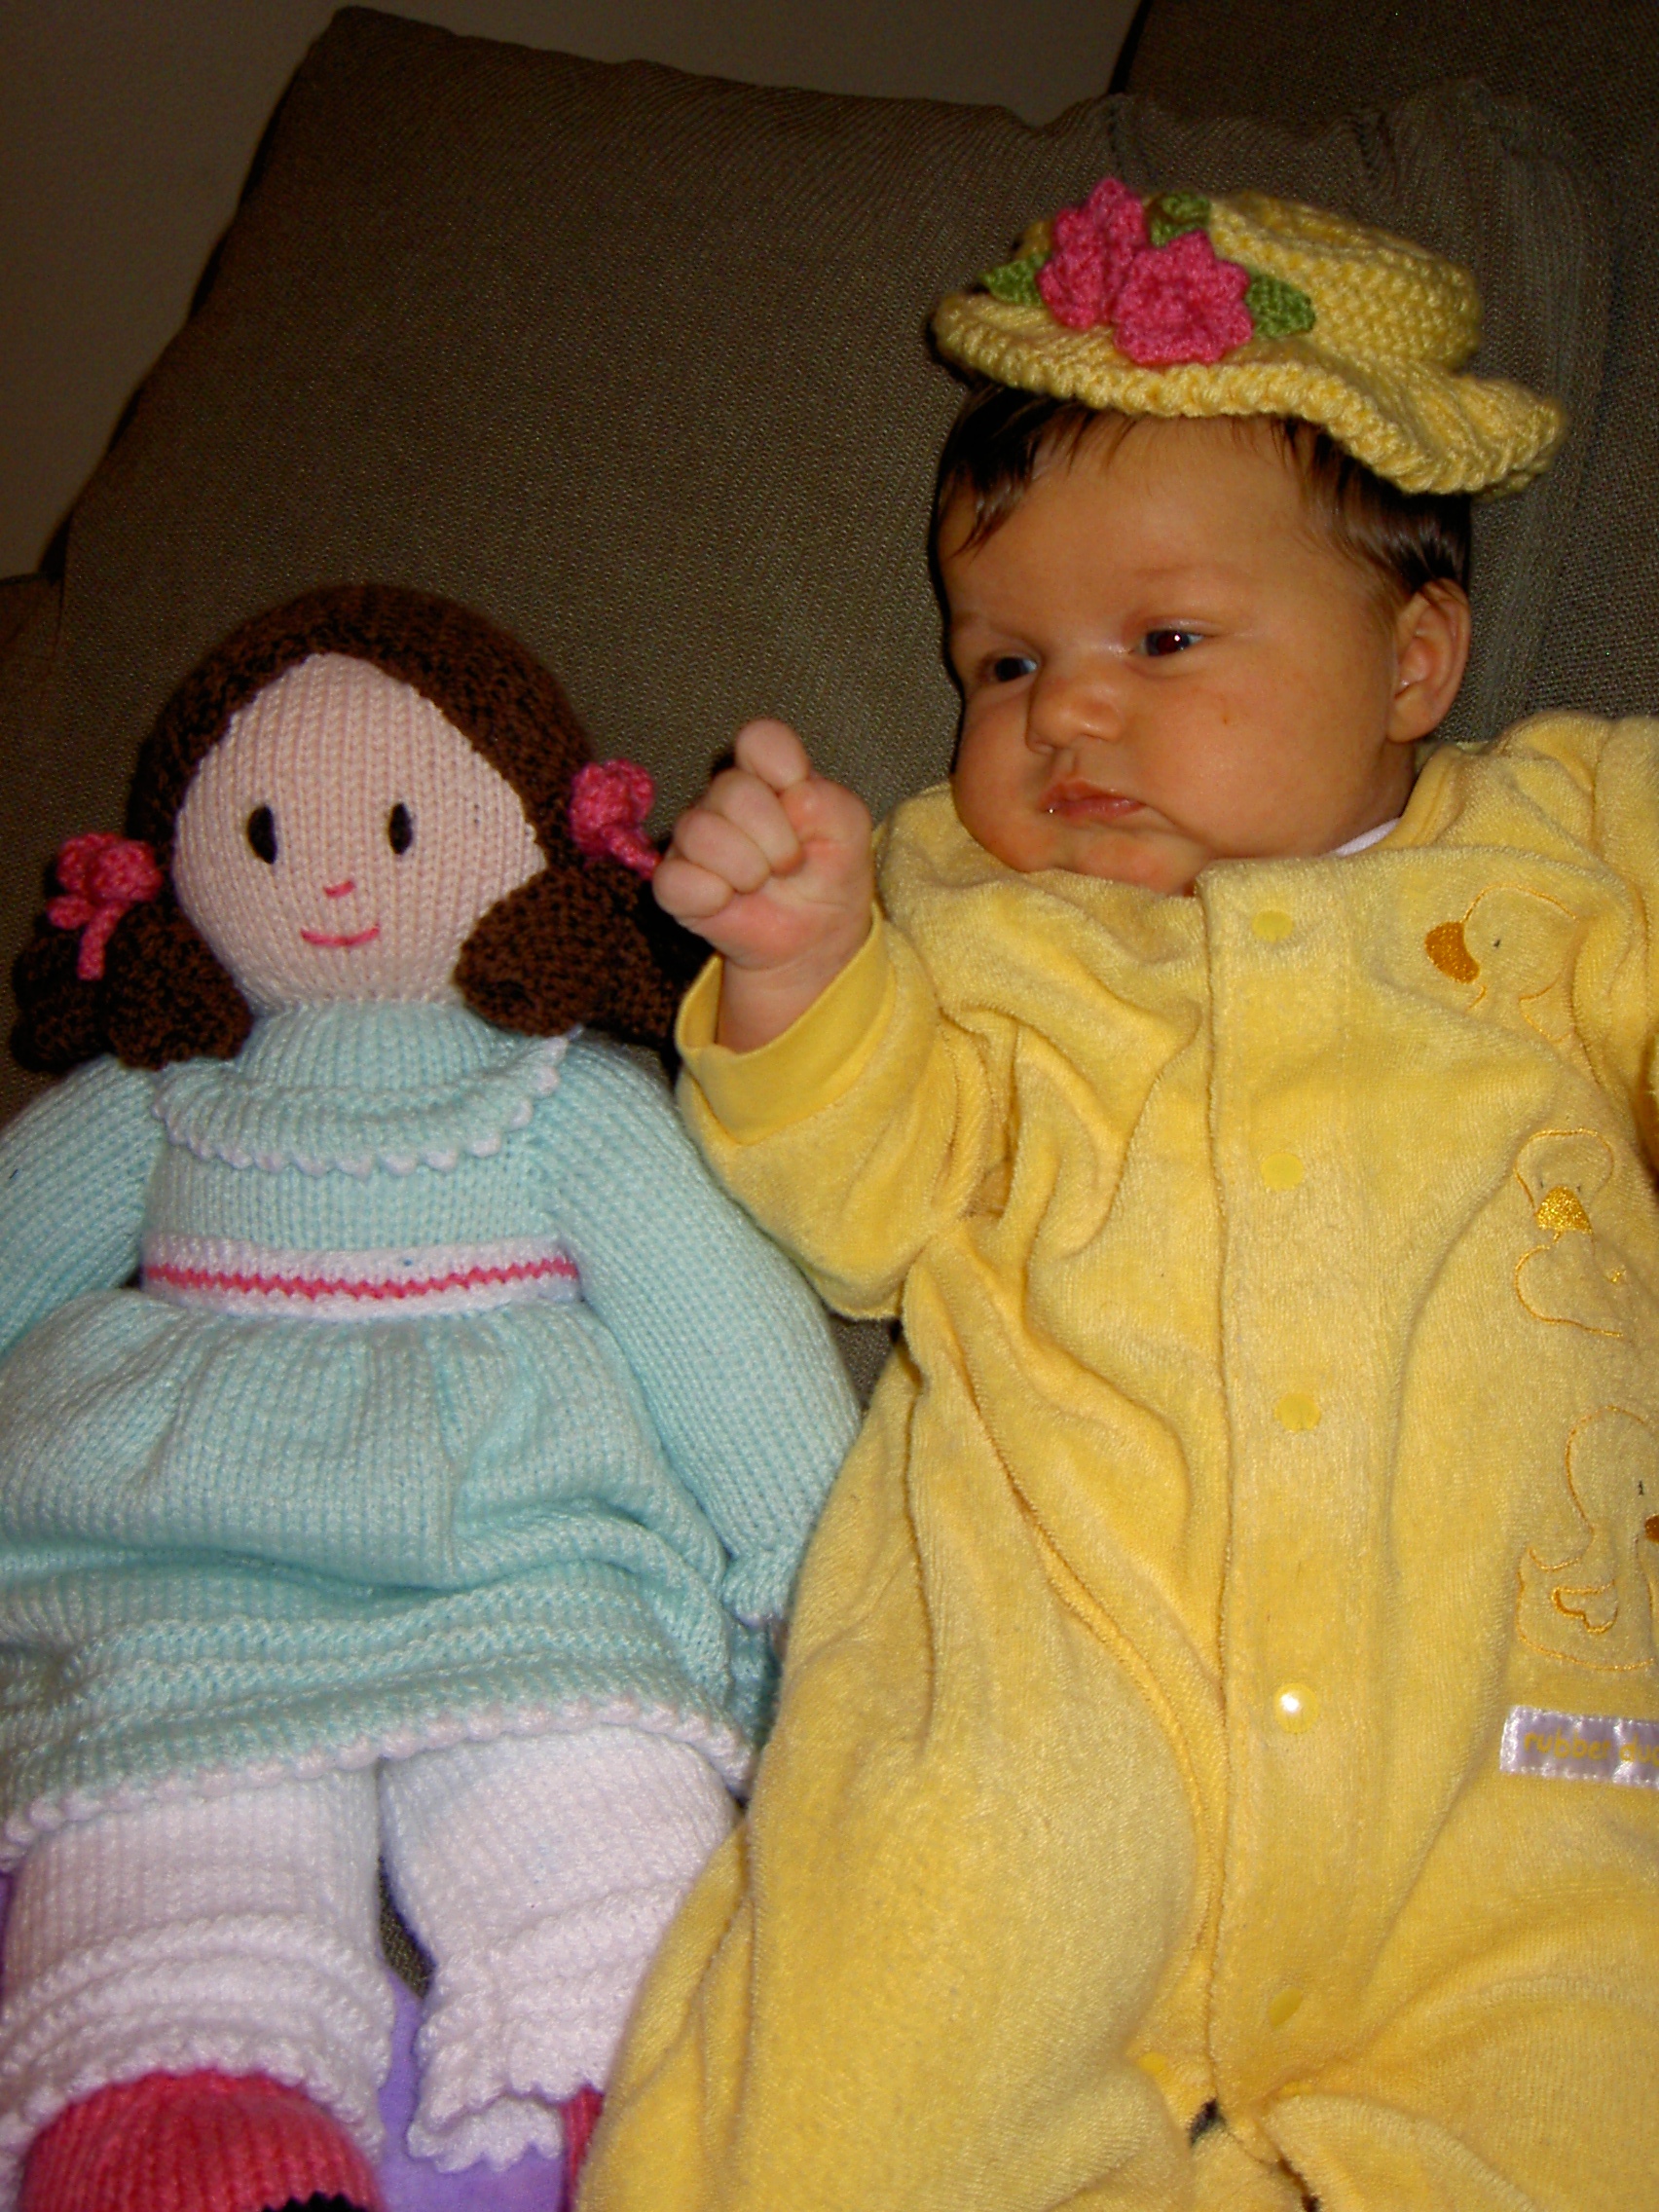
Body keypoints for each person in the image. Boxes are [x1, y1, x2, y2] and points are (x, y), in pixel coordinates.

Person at [581, 186, 1659, 2210]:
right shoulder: (968, 911)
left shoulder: (1573, 848)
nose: (1064, 709)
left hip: (1513, 1746)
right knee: (859, 2077)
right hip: (1060, 1700)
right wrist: (805, 967)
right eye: (1003, 660)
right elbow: (871, 1199)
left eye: (1163, 640)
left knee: (1599, 2093)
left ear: (1416, 657)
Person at [0, 585, 855, 2212]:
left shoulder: (564, 1104)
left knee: (609, 1832)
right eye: (265, 836)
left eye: (397, 832)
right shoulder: (156, 1105)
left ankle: (651, 2105)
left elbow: (722, 1338)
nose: (330, 882)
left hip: (528, 1578)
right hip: (187, 1590)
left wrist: (830, 1580)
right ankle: (189, 2114)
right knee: (170, 1849)